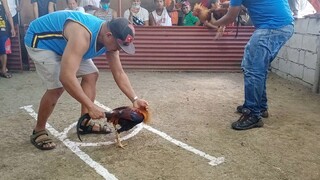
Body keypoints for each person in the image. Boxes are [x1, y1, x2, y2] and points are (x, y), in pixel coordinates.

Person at [24, 11, 149, 150]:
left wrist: (134, 99)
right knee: (57, 87)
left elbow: (119, 73)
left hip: (65, 44)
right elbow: (66, 77)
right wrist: (91, 106)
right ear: (109, 36)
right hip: (41, 42)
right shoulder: (82, 36)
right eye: (119, 46)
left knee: (91, 74)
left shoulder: (109, 39)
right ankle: (39, 130)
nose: (119, 49)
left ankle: (85, 123)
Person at [204, 0, 294, 130]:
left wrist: (212, 23)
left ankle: (252, 113)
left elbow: (231, 16)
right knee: (259, 68)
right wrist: (226, 5)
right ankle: (260, 107)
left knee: (252, 69)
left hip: (272, 26)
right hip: (284, 24)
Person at [0, 0, 16, 78]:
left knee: (3, 49)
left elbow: (8, 12)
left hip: (2, 26)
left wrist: (12, 28)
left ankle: (3, 70)